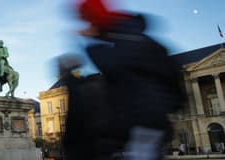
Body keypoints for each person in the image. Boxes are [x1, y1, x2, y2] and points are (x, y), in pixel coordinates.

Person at [61, 0, 185, 160]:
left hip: (141, 120)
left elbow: (110, 64)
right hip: (153, 119)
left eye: (88, 20)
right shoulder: (143, 40)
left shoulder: (125, 41)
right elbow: (172, 77)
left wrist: (91, 42)